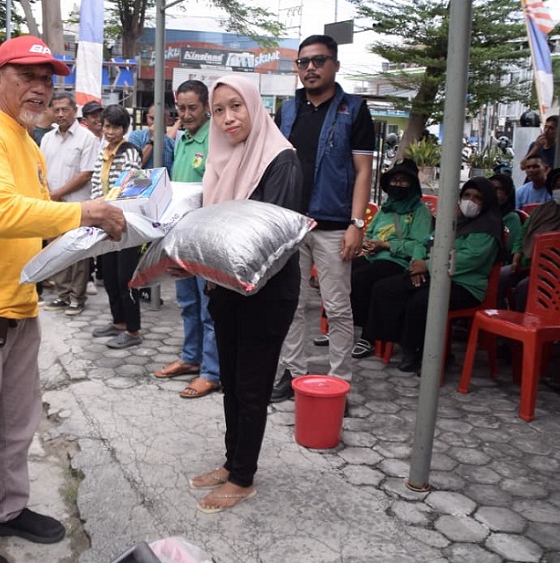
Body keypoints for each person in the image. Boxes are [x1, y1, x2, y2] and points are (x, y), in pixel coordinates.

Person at [0, 35, 125, 563]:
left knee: (16, 426)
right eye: (26, 76)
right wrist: (85, 213)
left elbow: (35, 221)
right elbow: (1, 213)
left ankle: (8, 510)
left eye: (46, 79)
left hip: (16, 304)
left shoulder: (25, 140)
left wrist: (107, 230)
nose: (40, 88)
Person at [187, 75, 302, 513]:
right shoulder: (225, 158)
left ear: (254, 106)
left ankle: (243, 477)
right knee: (231, 383)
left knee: (252, 387)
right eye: (219, 110)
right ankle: (231, 460)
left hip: (266, 293)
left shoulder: (280, 160)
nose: (227, 118)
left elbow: (275, 235)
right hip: (225, 287)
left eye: (236, 106)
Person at [272, 34, 374, 402]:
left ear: (335, 65)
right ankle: (293, 372)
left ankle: (339, 383)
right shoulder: (287, 111)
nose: (310, 68)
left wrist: (356, 224)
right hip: (291, 225)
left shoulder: (354, 110)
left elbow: (363, 171)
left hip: (334, 226)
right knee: (291, 304)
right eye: (304, 62)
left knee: (338, 308)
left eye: (319, 60)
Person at [362, 178, 504, 373]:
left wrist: (427, 266)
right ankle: (397, 341)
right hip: (434, 274)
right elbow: (426, 242)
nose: (470, 201)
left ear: (487, 201)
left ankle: (426, 354)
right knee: (386, 288)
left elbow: (469, 259)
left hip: (465, 284)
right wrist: (417, 263)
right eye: (467, 195)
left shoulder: (488, 228)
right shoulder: (454, 221)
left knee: (421, 301)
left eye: (477, 198)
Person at [153, 79, 221, 399]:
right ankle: (191, 357)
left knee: (209, 308)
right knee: (188, 302)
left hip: (205, 236)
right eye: (181, 108)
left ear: (206, 107)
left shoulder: (216, 139)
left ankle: (212, 372)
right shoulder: (182, 138)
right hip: (180, 235)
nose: (186, 114)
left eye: (193, 108)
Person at [344, 158, 432, 361]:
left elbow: (419, 244)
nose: (397, 184)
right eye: (394, 180)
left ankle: (368, 337)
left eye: (403, 180)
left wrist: (386, 245)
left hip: (397, 260)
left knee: (363, 279)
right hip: (374, 256)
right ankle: (340, 327)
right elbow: (370, 232)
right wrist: (368, 244)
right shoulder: (386, 208)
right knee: (344, 272)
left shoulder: (420, 211)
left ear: (412, 184)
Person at [501, 165, 560, 312]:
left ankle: (524, 322)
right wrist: (517, 254)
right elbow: (523, 233)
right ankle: (499, 316)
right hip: (527, 262)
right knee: (500, 276)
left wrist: (541, 266)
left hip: (558, 272)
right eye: (557, 186)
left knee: (525, 287)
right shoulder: (542, 210)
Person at [89, 105, 145, 349]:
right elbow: (95, 184)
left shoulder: (130, 151)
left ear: (124, 129)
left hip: (125, 223)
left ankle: (133, 331)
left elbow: (130, 186)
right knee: (110, 277)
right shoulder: (103, 151)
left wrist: (106, 208)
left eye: (116, 127)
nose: (110, 131)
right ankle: (119, 322)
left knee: (126, 279)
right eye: (107, 126)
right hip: (105, 222)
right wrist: (96, 212)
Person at [40, 92, 98, 316]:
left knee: (77, 254)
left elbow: (85, 174)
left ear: (75, 111)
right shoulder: (47, 138)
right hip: (52, 206)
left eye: (65, 109)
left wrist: (57, 193)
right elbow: (41, 170)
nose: (61, 114)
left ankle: (77, 298)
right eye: (56, 110)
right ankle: (62, 296)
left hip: (77, 206)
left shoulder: (87, 138)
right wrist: (48, 194)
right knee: (56, 251)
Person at [127, 104, 176, 172]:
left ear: (168, 121)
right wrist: (152, 139)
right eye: (152, 118)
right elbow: (135, 165)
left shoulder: (171, 144)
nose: (155, 123)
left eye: (160, 120)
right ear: (147, 117)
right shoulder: (136, 136)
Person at [490, 173, 521, 252]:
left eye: (497, 189)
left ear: (508, 194)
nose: (491, 192)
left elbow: (509, 247)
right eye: (489, 188)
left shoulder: (511, 218)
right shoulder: (483, 213)